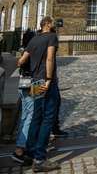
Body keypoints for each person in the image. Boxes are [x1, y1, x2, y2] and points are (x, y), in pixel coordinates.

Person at [18, 16, 61, 172]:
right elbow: (50, 58)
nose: (55, 25)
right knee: (48, 118)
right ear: (47, 24)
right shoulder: (51, 37)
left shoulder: (34, 40)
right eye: (53, 23)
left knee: (36, 116)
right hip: (46, 82)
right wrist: (49, 79)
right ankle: (40, 159)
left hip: (35, 82)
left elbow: (21, 61)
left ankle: (29, 154)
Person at [12, 30, 35, 164]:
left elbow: (19, 64)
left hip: (23, 83)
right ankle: (19, 150)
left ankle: (22, 144)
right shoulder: (29, 52)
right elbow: (21, 64)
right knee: (30, 115)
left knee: (25, 115)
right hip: (28, 84)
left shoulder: (24, 50)